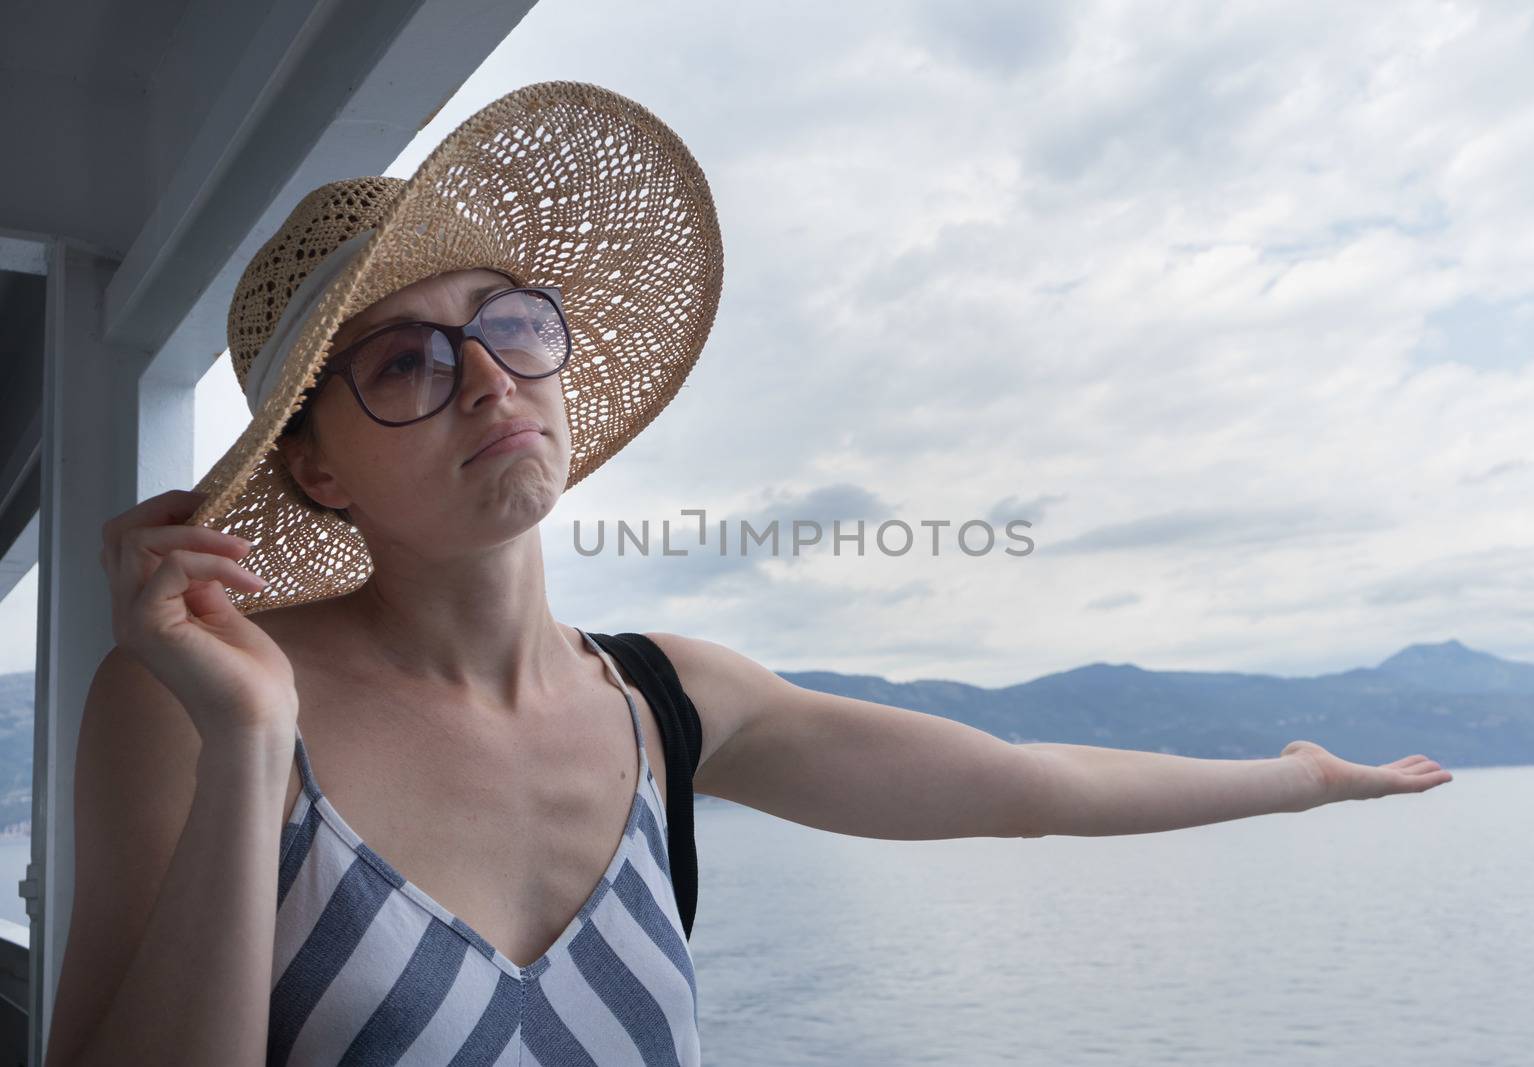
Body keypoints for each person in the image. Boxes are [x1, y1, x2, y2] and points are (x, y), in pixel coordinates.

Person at [49, 83, 1453, 1067]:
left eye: (508, 325)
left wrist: (1304, 779)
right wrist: (247, 749)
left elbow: (1030, 789)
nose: (484, 379)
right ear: (316, 469)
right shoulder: (193, 703)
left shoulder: (670, 699)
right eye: (405, 360)